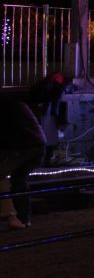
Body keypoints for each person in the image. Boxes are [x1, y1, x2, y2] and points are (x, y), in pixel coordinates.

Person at [0, 97, 46, 229]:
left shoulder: (6, 106)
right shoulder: (13, 103)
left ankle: (11, 215)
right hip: (37, 146)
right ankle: (23, 218)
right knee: (19, 181)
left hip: (22, 147)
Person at [27, 72, 67, 166]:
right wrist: (58, 120)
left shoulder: (42, 84)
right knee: (50, 139)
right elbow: (55, 105)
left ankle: (41, 161)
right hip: (47, 115)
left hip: (35, 113)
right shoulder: (57, 88)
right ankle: (47, 160)